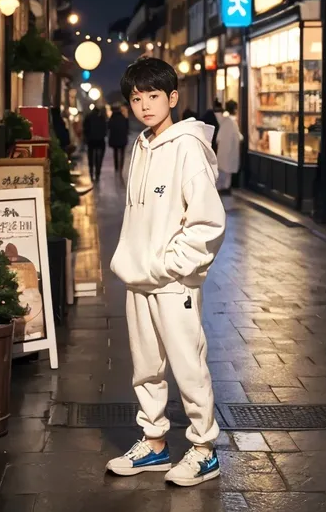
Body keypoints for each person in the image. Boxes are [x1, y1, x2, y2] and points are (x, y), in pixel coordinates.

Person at [107, 57, 225, 488]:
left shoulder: (188, 147)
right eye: (137, 98)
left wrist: (171, 264)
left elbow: (208, 221)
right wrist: (139, 263)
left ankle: (204, 449)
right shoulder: (142, 144)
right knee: (146, 367)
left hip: (173, 281)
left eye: (154, 96)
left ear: (173, 98)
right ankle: (154, 443)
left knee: (187, 365)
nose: (145, 105)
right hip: (138, 278)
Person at [216, 100, 242, 193]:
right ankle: (225, 188)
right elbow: (239, 137)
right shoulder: (231, 122)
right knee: (226, 174)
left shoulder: (224, 121)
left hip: (223, 152)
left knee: (222, 173)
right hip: (229, 152)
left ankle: (222, 188)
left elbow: (219, 138)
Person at [83, 107, 107, 181]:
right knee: (99, 158)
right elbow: (105, 128)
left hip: (91, 140)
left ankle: (91, 173)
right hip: (100, 140)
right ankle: (97, 173)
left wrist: (87, 137)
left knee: (91, 157)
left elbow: (85, 128)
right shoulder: (102, 117)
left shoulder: (88, 117)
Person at [108, 105, 129, 176]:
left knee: (115, 153)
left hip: (114, 138)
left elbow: (109, 127)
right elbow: (127, 128)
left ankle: (116, 167)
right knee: (122, 153)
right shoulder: (123, 118)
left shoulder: (112, 118)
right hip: (122, 138)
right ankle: (121, 166)